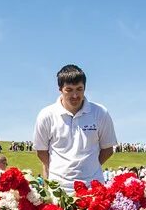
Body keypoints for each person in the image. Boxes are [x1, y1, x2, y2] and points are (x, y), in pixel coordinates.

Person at [33, 64, 117, 193]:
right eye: (69, 90)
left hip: (92, 187)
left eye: (79, 89)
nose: (75, 95)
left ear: (85, 88)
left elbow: (108, 149)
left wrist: (90, 168)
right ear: (60, 89)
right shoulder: (46, 115)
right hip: (60, 189)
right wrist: (61, 171)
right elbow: (41, 151)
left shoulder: (100, 112)